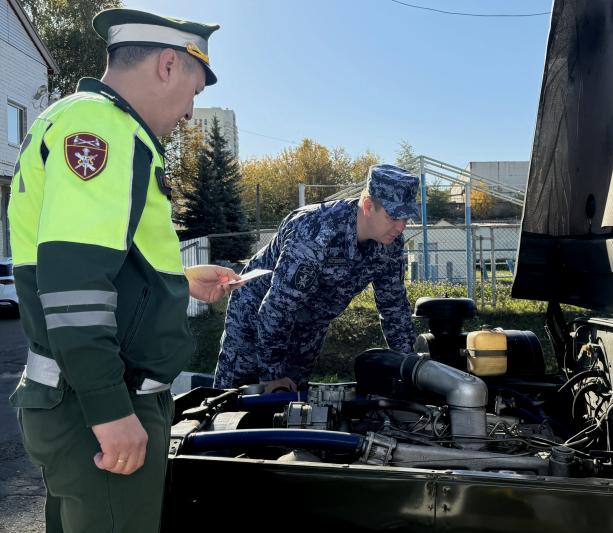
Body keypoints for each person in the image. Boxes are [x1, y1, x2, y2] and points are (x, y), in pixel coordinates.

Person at [7, 8, 239, 532]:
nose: (187, 113)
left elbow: (104, 262)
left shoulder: (82, 121)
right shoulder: (103, 128)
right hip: (100, 407)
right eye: (195, 92)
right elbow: (74, 287)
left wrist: (181, 284)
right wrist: (110, 411)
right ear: (167, 65)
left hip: (78, 400)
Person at [214, 164, 420, 391]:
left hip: (309, 325)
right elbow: (278, 308)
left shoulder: (390, 245)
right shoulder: (315, 231)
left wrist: (410, 366)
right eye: (393, 217)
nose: (401, 227)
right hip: (255, 317)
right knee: (235, 400)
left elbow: (394, 307)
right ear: (368, 206)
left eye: (406, 219)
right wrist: (271, 374)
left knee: (295, 406)